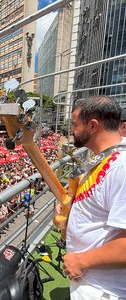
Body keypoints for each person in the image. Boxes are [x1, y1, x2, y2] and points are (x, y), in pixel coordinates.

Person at [63, 96, 126, 299]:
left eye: (74, 124)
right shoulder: (105, 158)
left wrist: (82, 261)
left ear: (92, 126)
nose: (71, 130)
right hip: (91, 281)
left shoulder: (121, 168)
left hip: (103, 290)